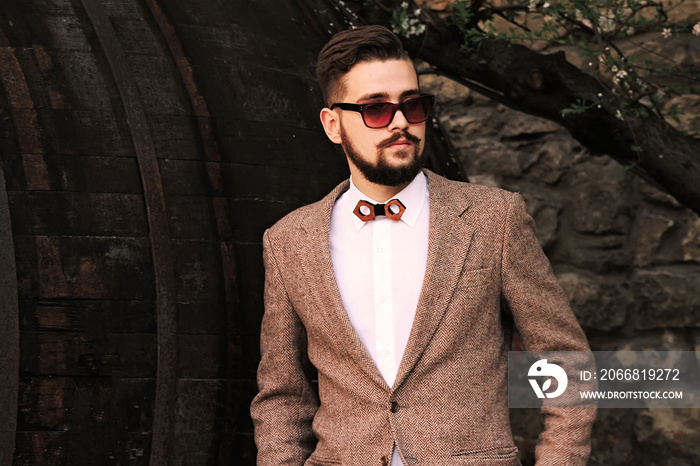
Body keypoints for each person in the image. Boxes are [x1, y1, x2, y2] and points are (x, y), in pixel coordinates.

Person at [250, 25, 595, 466]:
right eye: (376, 109)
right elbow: (282, 394)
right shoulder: (287, 242)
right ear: (333, 124)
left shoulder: (495, 219)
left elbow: (567, 360)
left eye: (413, 105)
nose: (401, 122)